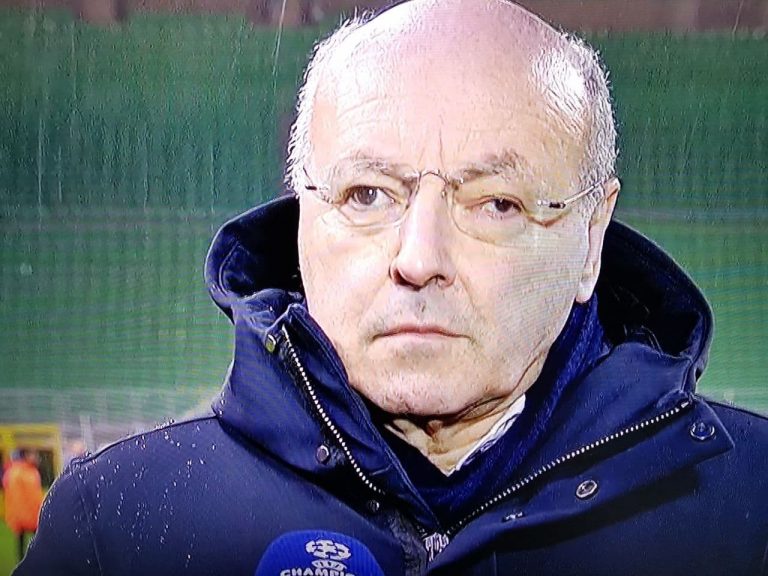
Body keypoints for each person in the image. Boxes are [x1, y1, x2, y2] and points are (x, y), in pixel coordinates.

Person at [16, 0, 768, 574]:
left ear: (590, 238)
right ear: (302, 216)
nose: (419, 257)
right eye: (368, 195)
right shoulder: (117, 527)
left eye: (496, 204)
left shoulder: (753, 510)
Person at [3, 449, 44, 564]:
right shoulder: (28, 473)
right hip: (29, 514)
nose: (36, 458)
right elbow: (33, 495)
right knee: (36, 540)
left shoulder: (13, 471)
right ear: (26, 456)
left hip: (20, 514)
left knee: (22, 540)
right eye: (34, 455)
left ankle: (23, 562)